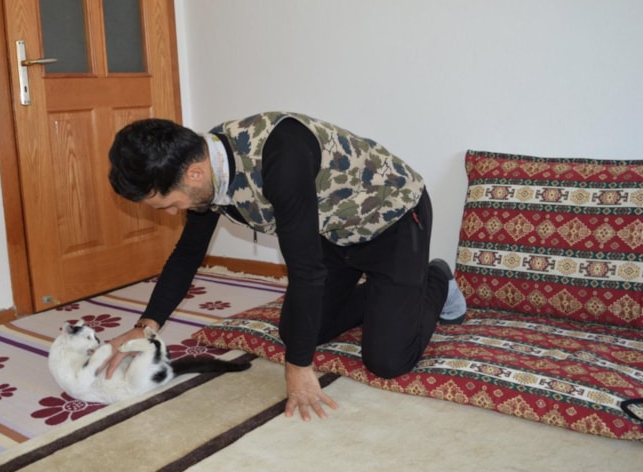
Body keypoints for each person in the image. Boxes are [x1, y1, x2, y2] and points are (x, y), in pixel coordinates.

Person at [104, 112, 466, 421]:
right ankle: (385, 292)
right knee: (298, 333)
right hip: (332, 232)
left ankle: (435, 277)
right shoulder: (204, 166)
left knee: (388, 361)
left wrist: (298, 368)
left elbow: (306, 272)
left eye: (169, 204)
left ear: (194, 174)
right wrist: (146, 326)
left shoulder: (280, 156)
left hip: (392, 222)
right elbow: (187, 255)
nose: (172, 213)